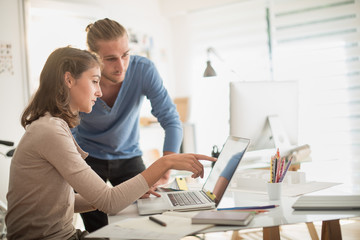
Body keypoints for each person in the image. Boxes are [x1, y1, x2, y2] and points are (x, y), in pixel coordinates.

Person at [5, 46, 216, 240]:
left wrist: (132, 190)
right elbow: (109, 202)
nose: (100, 92)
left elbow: (63, 201)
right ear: (69, 80)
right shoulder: (50, 131)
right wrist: (166, 162)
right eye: (94, 81)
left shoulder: (53, 125)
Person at [70, 18, 183, 232]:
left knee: (149, 223)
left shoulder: (143, 69)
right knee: (100, 230)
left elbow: (170, 118)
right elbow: (67, 128)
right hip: (87, 159)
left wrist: (168, 162)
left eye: (125, 54)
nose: (121, 66)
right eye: (110, 59)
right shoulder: (78, 77)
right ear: (93, 56)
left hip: (129, 156)